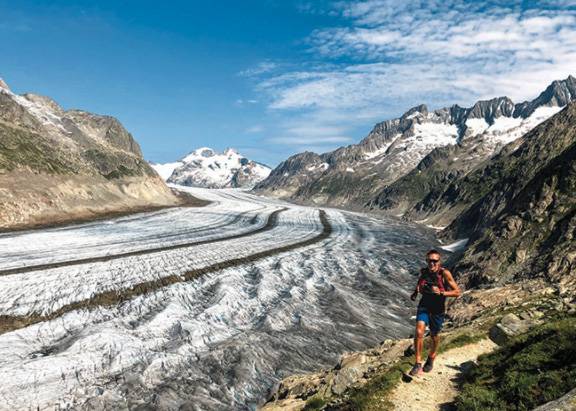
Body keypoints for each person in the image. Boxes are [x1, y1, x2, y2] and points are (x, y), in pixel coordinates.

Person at [408, 249, 460, 376]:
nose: (431, 263)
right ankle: (418, 363)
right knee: (419, 331)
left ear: (439, 261)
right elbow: (420, 283)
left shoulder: (444, 274)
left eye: (434, 261)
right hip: (424, 305)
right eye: (429, 260)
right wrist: (415, 292)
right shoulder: (424, 272)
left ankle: (431, 357)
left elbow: (457, 292)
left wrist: (441, 293)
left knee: (434, 335)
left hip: (438, 309)